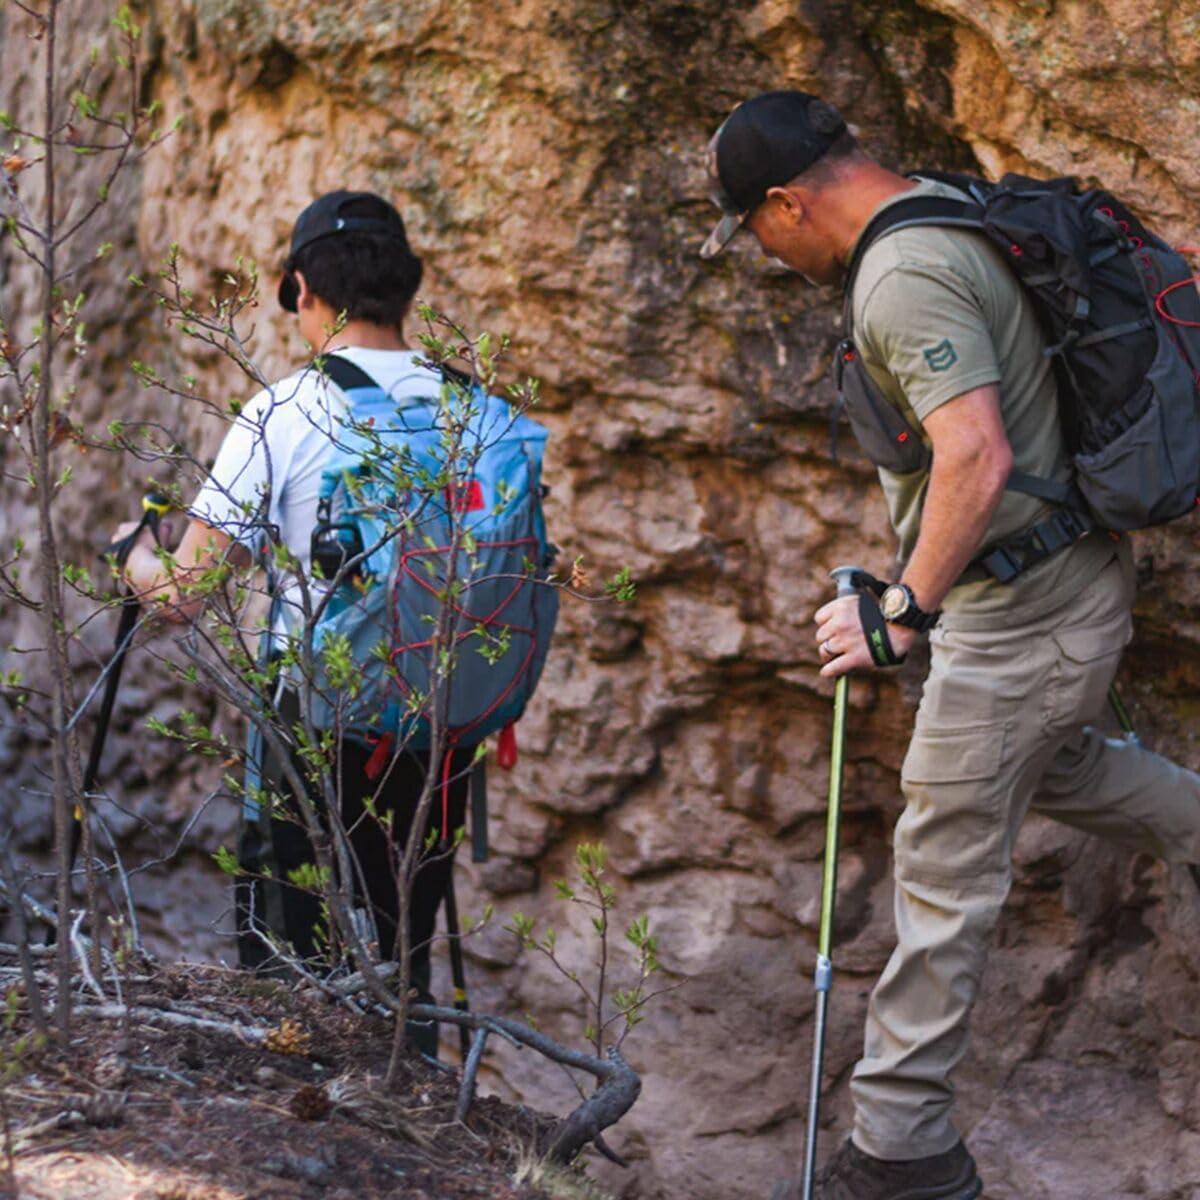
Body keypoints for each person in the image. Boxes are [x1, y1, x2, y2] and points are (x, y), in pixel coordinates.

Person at [699, 91, 1200, 1199]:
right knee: (1060, 764)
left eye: (750, 226)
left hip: (1021, 614)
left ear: (785, 204)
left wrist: (899, 611)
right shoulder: (944, 207)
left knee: (944, 865)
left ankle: (902, 1152)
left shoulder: (900, 274)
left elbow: (973, 453)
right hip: (1059, 588)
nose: (759, 249)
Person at [116, 190, 471, 1052]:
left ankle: (312, 1114)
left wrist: (132, 551)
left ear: (303, 288)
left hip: (317, 721)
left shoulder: (286, 412)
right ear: (407, 288)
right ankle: (410, 1105)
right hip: (444, 721)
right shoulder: (472, 406)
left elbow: (184, 593)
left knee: (292, 949)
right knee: (401, 946)